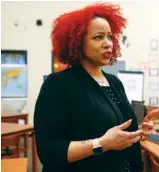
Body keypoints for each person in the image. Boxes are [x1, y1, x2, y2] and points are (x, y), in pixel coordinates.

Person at [34, 2, 151, 172]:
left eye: (110, 37)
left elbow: (114, 130)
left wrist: (136, 133)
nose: (108, 43)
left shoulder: (115, 83)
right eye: (98, 37)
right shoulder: (58, 84)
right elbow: (49, 151)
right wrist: (101, 144)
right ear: (77, 43)